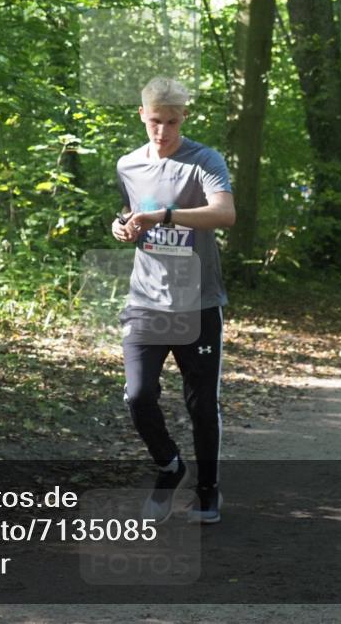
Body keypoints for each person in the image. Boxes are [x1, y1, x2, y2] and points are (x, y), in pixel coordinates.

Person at [112, 77, 236, 524]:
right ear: (142, 116)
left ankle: (207, 491)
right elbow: (130, 212)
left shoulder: (204, 160)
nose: (162, 132)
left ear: (184, 118)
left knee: (201, 403)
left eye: (170, 122)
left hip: (198, 303)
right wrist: (122, 226)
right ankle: (169, 466)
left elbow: (224, 213)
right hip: (146, 300)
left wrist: (164, 215)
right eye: (154, 122)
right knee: (138, 395)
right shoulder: (128, 164)